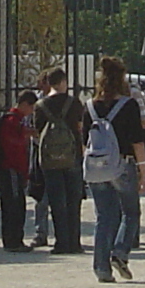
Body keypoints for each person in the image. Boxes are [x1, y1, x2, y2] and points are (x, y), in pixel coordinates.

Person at [85, 56, 145, 281]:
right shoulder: (128, 104)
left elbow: (85, 140)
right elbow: (137, 141)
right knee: (131, 212)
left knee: (104, 216)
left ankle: (101, 267)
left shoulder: (90, 106)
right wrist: (144, 172)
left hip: (96, 167)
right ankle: (120, 252)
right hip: (122, 164)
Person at [32, 68, 86, 254]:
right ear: (64, 81)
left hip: (50, 160)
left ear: (48, 82)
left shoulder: (40, 106)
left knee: (56, 200)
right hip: (73, 157)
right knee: (74, 200)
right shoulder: (74, 103)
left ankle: (61, 242)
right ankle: (74, 242)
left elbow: (39, 132)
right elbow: (81, 127)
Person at [0, 88, 37, 251]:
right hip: (10, 169)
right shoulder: (12, 121)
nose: (31, 111)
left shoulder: (18, 120)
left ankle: (15, 240)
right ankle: (13, 241)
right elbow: (11, 146)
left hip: (15, 170)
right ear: (23, 104)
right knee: (13, 207)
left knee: (17, 206)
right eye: (30, 106)